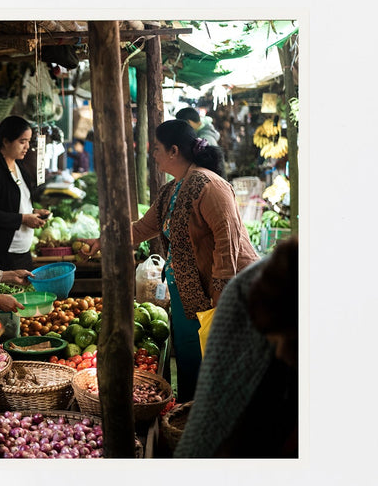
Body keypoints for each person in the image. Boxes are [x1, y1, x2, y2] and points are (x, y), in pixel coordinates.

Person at [80, 119, 258, 402]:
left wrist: (219, 295)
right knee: (189, 357)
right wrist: (103, 240)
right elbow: (140, 228)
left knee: (216, 364)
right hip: (185, 291)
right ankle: (187, 415)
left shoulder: (211, 186)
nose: (153, 154)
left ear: (174, 151)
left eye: (157, 149)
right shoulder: (171, 190)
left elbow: (228, 243)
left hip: (216, 293)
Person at [174, 236, 298, 458]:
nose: (280, 353)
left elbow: (225, 242)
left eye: (289, 342)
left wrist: (217, 292)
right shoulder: (247, 295)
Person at [0, 115, 51, 271]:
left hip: (22, 252)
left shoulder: (19, 166)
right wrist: (23, 218)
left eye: (28, 141)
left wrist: (33, 212)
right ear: (6, 141)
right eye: (22, 142)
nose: (27, 147)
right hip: (1, 253)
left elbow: (14, 203)